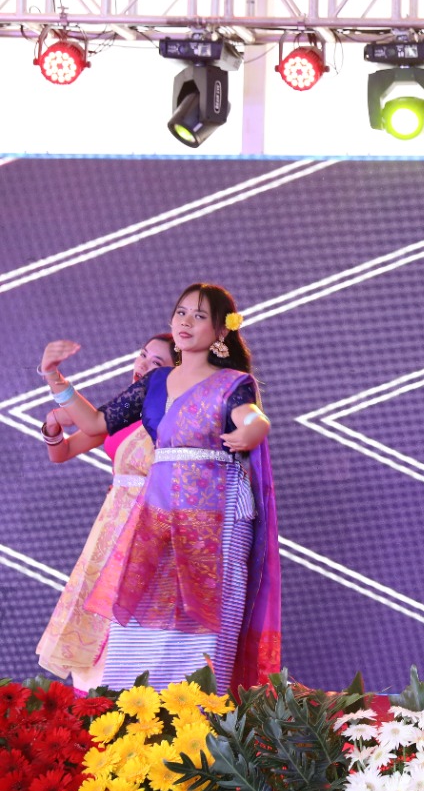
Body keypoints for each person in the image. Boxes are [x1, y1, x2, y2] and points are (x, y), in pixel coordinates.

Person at [38, 284, 280, 693]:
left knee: (205, 618)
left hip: (215, 514)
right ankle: (135, 709)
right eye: (181, 312)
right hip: (157, 510)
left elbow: (252, 416)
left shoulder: (231, 382)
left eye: (199, 316)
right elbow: (96, 422)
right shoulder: (156, 382)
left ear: (221, 331)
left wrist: (253, 430)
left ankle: (198, 711)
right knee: (140, 613)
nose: (186, 322)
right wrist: (54, 377)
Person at [35, 333, 176, 688]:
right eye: (142, 355)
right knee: (95, 617)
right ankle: (92, 700)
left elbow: (90, 420)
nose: (143, 365)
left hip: (149, 529)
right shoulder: (126, 412)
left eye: (157, 363)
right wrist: (52, 429)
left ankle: (129, 698)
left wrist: (55, 377)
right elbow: (63, 451)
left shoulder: (173, 418)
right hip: (111, 526)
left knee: (129, 619)